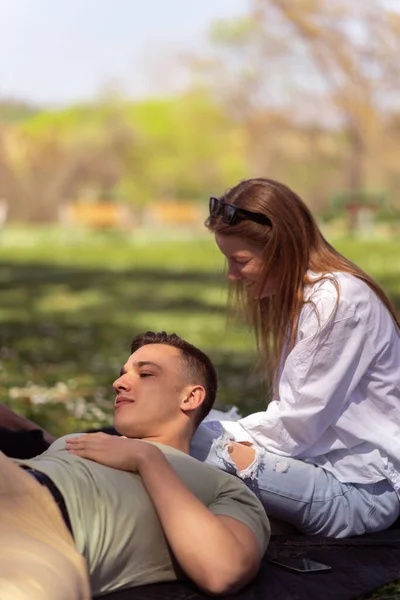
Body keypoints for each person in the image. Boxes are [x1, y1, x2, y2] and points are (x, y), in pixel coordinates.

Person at [190, 177, 400, 539]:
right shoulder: (311, 297)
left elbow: (295, 426)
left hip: (362, 489)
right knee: (178, 441)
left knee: (181, 445)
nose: (232, 275)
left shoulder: (338, 301)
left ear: (282, 250)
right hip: (320, 466)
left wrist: (186, 431)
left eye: (240, 260)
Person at [0, 331, 270, 600]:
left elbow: (223, 571)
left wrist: (148, 459)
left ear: (190, 398)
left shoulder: (224, 488)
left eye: (146, 374)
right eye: (122, 373)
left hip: (46, 539)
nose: (118, 383)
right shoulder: (81, 441)